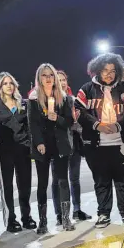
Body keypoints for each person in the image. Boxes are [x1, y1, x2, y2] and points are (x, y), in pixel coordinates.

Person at [75, 53, 124, 228]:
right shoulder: (86, 89)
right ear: (97, 70)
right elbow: (79, 111)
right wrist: (96, 125)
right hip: (97, 146)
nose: (109, 74)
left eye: (113, 71)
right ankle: (103, 214)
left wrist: (119, 125)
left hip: (123, 144)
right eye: (105, 70)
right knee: (101, 181)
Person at [0, 72, 36, 232]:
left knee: (25, 185)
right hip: (4, 151)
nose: (8, 86)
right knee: (7, 186)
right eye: (5, 83)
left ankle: (26, 216)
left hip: (23, 149)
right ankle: (11, 219)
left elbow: (30, 127)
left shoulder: (23, 103)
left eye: (11, 83)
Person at [28, 63, 75, 234]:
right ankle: (43, 220)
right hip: (43, 146)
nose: (48, 79)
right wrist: (38, 143)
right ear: (39, 78)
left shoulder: (64, 98)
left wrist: (58, 119)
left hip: (60, 145)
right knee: (42, 183)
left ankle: (65, 218)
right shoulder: (33, 100)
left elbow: (70, 122)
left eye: (50, 75)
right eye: (44, 75)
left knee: (63, 181)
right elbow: (32, 124)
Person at [50, 70, 92, 226]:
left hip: (74, 143)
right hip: (58, 145)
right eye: (58, 80)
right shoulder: (51, 101)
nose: (62, 82)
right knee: (58, 180)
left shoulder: (72, 100)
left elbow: (79, 120)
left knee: (75, 178)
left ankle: (77, 209)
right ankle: (59, 213)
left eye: (64, 80)